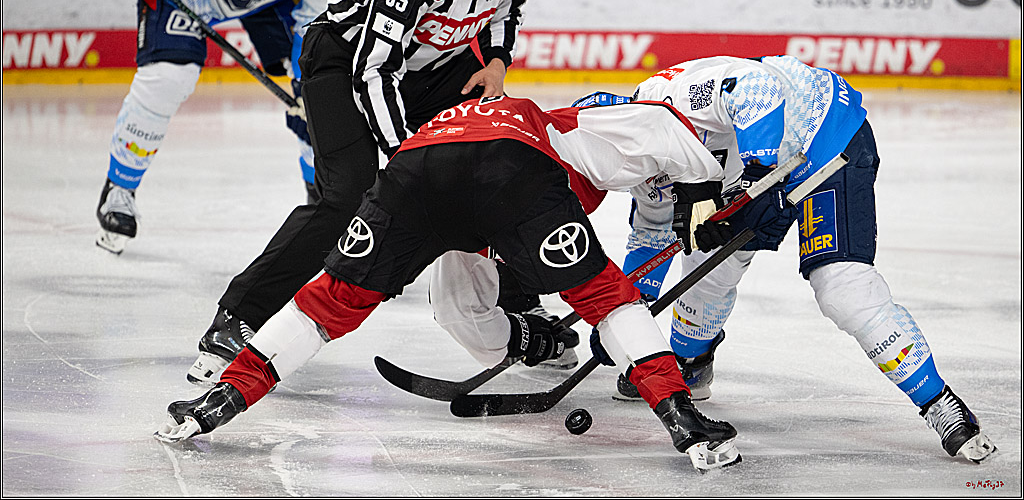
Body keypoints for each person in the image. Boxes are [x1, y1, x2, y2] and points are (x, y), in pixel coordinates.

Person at [156, 94, 744, 471]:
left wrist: (515, 341)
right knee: (604, 296)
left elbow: (460, 313)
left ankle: (218, 400)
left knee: (332, 298)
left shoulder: (459, 126)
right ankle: (681, 417)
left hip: (415, 172)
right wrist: (719, 191)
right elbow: (668, 129)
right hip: (510, 171)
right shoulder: (572, 127)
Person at [184, 0, 577, 386]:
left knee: (489, 169)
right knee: (347, 196)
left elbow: (507, 9)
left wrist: (497, 62)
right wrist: (403, 154)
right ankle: (237, 319)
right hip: (345, 60)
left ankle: (519, 306)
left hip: (435, 64)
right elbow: (374, 67)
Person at [582, 55, 997, 463]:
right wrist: (623, 318)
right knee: (706, 265)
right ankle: (690, 362)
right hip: (759, 172)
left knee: (842, 289)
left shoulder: (674, 95)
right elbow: (651, 242)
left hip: (822, 144)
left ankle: (938, 400)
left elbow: (758, 87)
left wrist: (755, 177)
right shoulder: (634, 168)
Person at [96, 0, 362, 254]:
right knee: (169, 78)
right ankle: (119, 188)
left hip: (265, 0)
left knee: (320, 97)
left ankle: (323, 203)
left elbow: (315, 24)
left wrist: (305, 79)